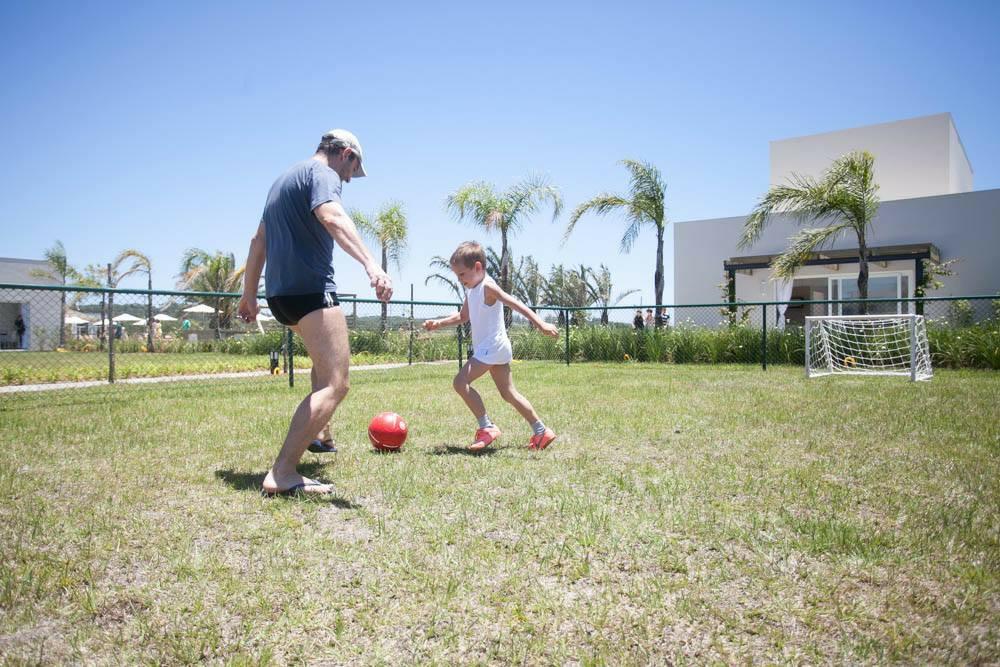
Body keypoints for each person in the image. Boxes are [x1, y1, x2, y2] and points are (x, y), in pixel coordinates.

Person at [238, 128, 392, 496]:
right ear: (346, 154)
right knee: (337, 383)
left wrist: (248, 295)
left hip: (280, 298)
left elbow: (258, 241)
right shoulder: (323, 174)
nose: (348, 179)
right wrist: (373, 265)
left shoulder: (282, 181)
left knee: (322, 368)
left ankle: (320, 435)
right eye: (352, 171)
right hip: (310, 292)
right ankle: (283, 472)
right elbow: (332, 217)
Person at [423, 241, 560, 451]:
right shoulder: (472, 290)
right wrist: (439, 323)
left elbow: (514, 303)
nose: (460, 280)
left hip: (492, 347)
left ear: (477, 267)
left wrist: (540, 323)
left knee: (460, 382)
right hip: (494, 348)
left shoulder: (487, 286)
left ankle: (487, 427)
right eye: (457, 276)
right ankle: (541, 431)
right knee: (509, 393)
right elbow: (463, 316)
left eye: (462, 274)